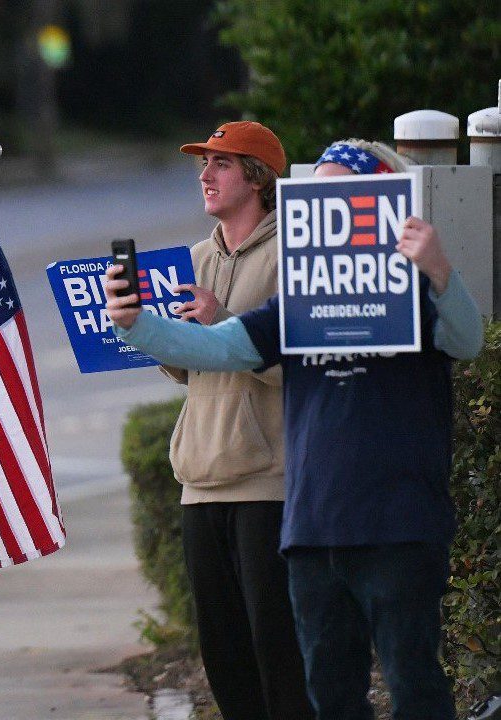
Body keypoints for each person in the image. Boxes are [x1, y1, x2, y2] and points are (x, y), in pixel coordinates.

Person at [104, 139, 484, 719]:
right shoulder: (300, 302)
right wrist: (134, 326)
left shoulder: (414, 293)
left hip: (399, 525)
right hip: (311, 530)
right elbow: (217, 347)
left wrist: (438, 270)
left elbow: (466, 340)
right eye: (317, 192)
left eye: (341, 191)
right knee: (329, 695)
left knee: (414, 688)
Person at [162, 121, 312, 720]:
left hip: (267, 480)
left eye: (221, 164)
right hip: (199, 479)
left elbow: (301, 367)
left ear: (257, 178)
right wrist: (154, 337)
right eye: (204, 163)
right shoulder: (195, 258)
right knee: (222, 653)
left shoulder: (292, 254)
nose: (205, 175)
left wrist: (223, 319)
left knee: (277, 647)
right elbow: (188, 373)